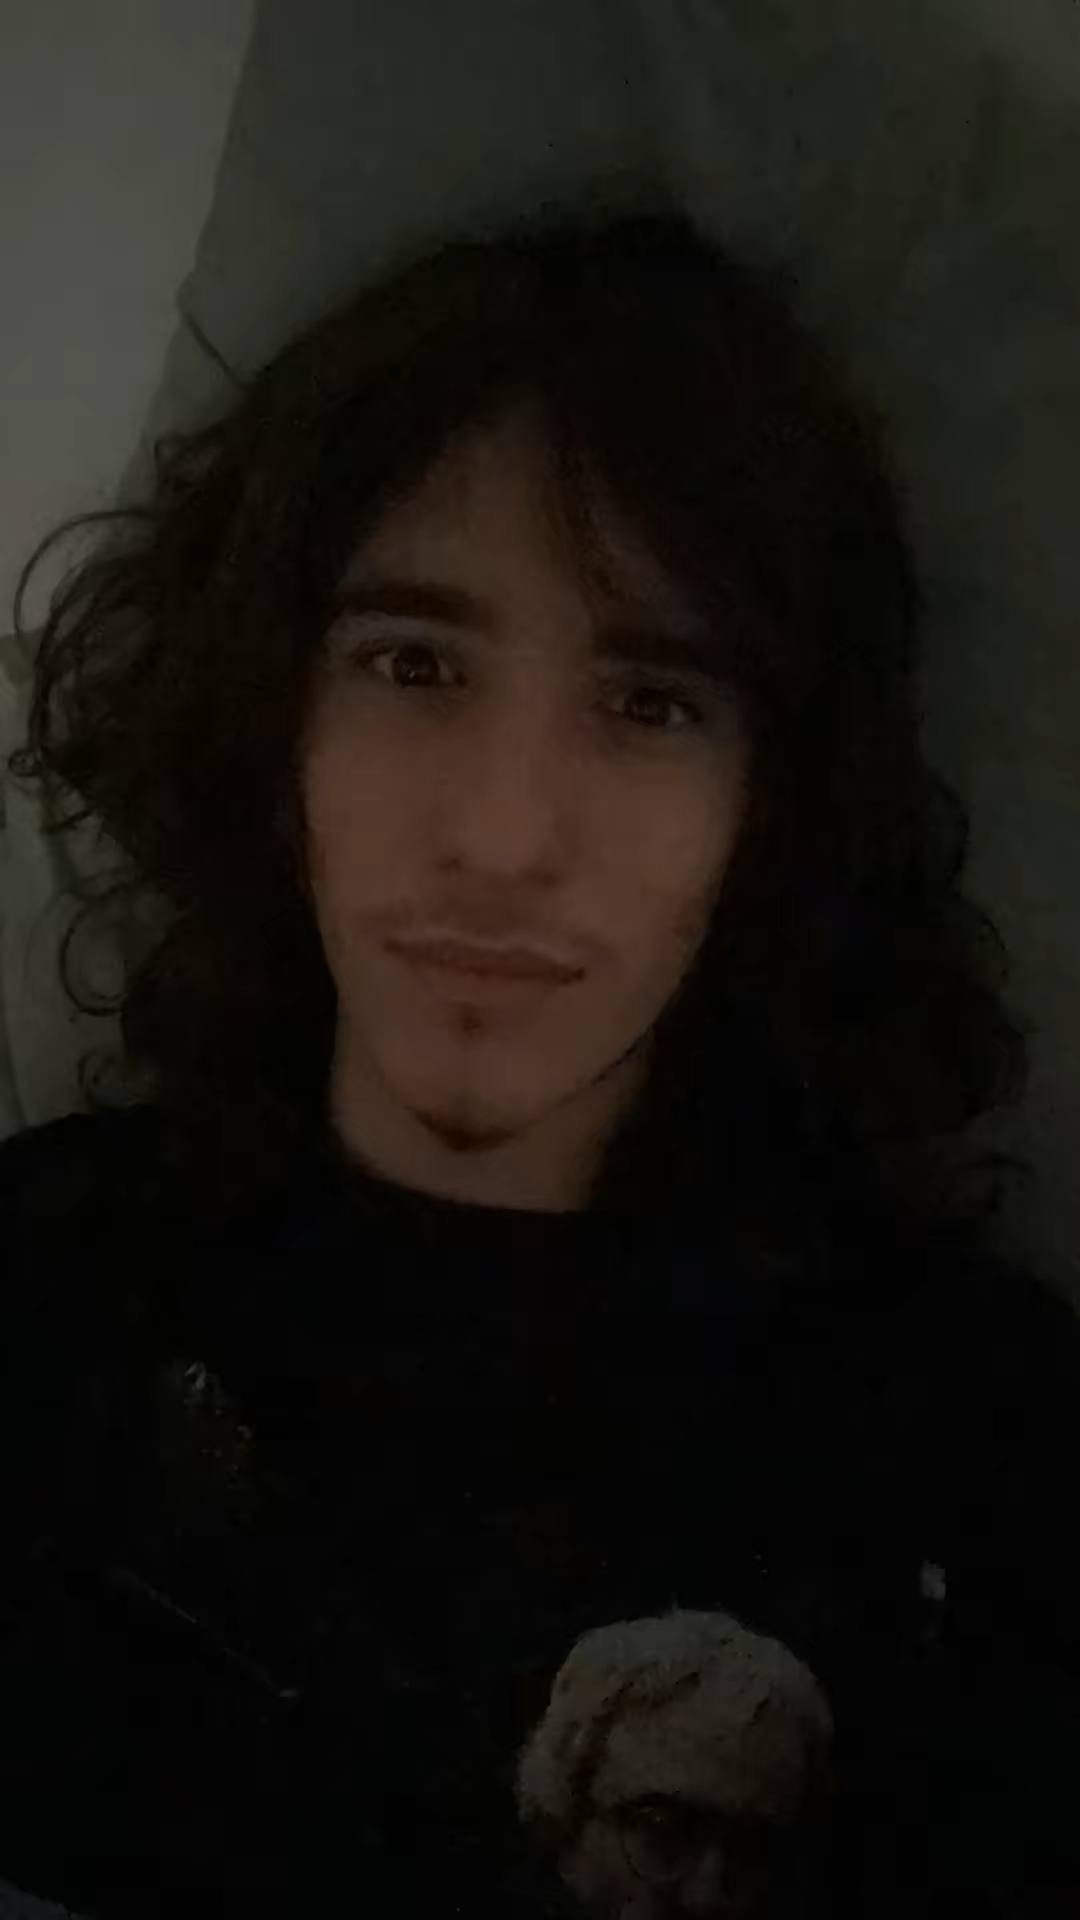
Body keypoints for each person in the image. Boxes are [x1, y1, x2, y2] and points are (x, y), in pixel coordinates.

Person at [1, 210, 1077, 1918]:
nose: (504, 839)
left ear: (774, 805)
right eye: (413, 663)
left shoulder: (987, 1456)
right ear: (270, 723)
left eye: (650, 703)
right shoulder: (35, 1299)